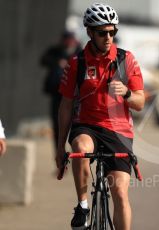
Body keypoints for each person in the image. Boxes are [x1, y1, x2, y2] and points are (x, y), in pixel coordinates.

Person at [55, 3, 145, 230]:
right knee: (80, 148)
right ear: (89, 32)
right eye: (102, 32)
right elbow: (66, 106)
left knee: (120, 194)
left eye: (112, 32)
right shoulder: (77, 63)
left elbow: (140, 102)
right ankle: (83, 205)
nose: (108, 37)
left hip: (119, 131)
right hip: (87, 125)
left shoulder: (126, 60)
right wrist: (59, 148)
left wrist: (126, 93)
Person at [41, 30, 81, 149]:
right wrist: (58, 62)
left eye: (71, 40)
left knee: (76, 128)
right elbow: (43, 60)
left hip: (75, 97)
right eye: (66, 40)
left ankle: (74, 157)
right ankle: (60, 156)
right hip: (57, 94)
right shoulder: (55, 51)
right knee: (58, 126)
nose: (69, 43)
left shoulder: (80, 53)